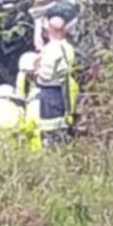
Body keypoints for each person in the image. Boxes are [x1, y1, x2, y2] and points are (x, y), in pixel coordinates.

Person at [30, 15, 78, 145]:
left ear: (49, 31)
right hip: (64, 89)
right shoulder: (67, 47)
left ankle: (52, 146)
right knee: (63, 124)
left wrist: (36, 70)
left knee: (51, 128)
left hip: (50, 93)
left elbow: (46, 75)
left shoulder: (52, 50)